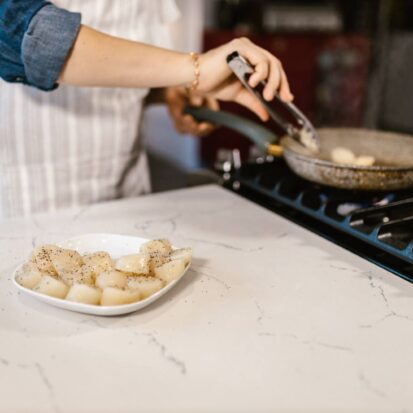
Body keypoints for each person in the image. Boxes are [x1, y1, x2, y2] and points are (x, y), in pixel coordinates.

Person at [0, 0, 293, 218]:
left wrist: (169, 90)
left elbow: (128, 53)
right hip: (30, 204)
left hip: (129, 198)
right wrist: (195, 69)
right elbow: (26, 36)